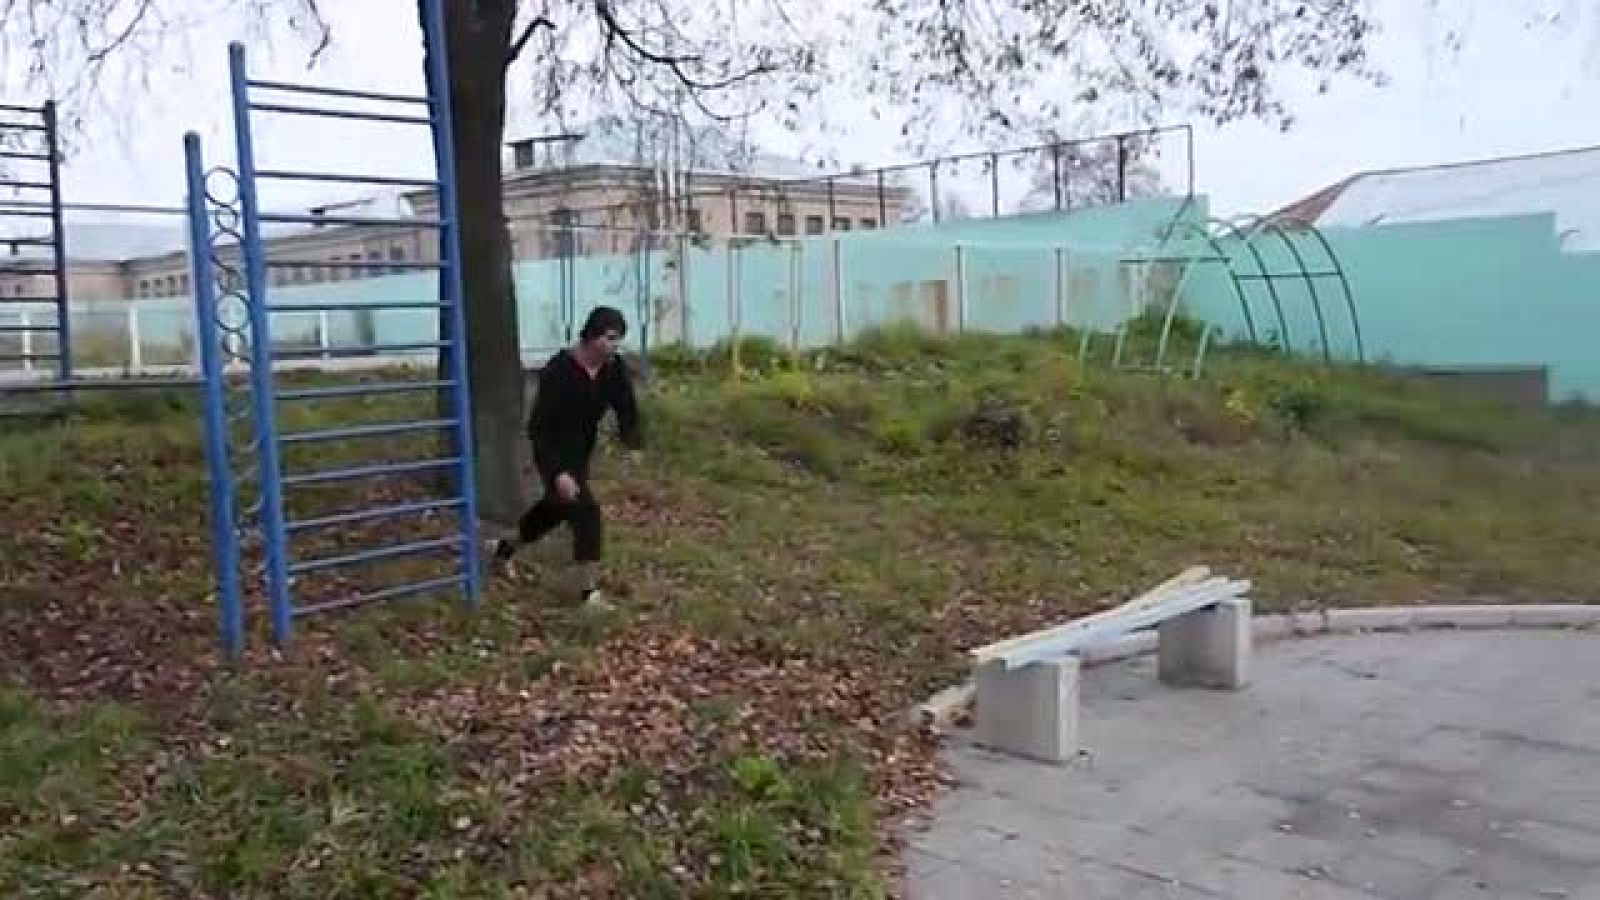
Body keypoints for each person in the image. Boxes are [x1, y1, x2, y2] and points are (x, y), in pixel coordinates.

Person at [492, 305, 642, 606]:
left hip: (581, 449)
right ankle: (589, 594)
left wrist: (632, 442)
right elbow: (539, 428)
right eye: (610, 338)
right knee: (586, 512)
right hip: (553, 450)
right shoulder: (558, 371)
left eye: (619, 340)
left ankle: (503, 549)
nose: (615, 346)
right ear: (591, 335)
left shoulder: (613, 368)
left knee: (555, 509)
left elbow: (627, 406)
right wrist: (558, 472)